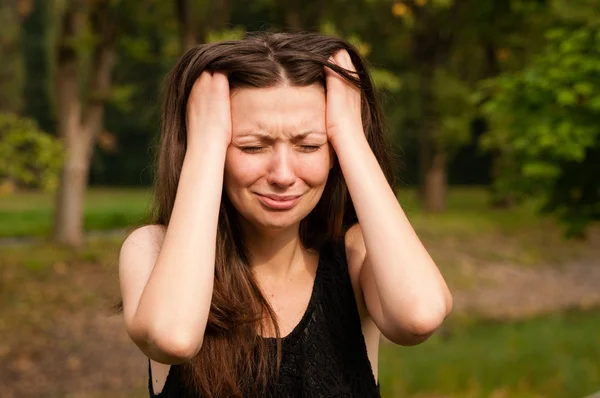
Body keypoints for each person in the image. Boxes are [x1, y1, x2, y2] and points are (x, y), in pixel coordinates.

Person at [118, 31, 453, 398]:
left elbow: (419, 316)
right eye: (252, 146)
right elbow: (173, 337)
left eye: (309, 146)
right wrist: (205, 142)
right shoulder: (152, 250)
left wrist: (350, 133)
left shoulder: (356, 254)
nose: (282, 174)